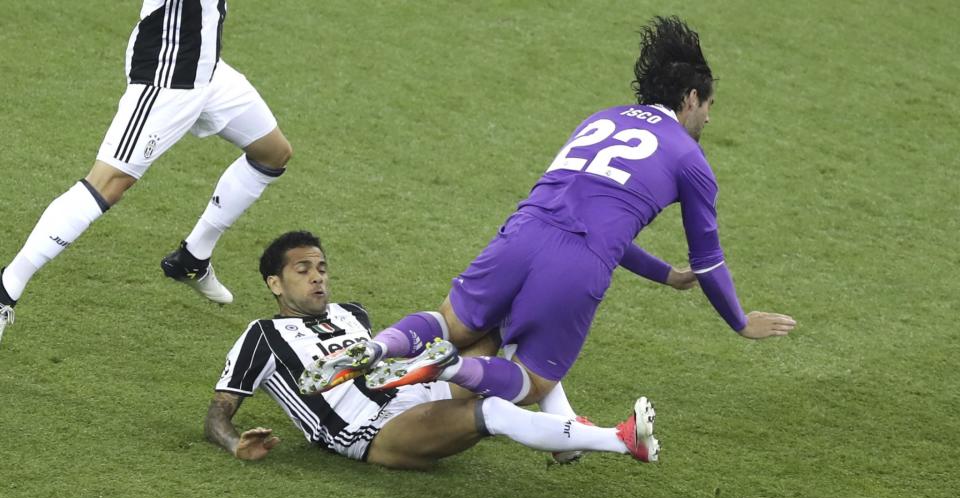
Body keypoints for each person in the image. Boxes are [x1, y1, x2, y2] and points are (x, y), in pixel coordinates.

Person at [303, 15, 796, 406]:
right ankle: (448, 367)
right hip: (577, 262)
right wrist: (739, 321)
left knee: (451, 320)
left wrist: (664, 274)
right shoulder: (691, 160)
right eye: (709, 104)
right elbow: (708, 260)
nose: (709, 116)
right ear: (691, 98)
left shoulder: (600, 118)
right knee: (534, 381)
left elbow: (595, 210)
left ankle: (381, 346)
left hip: (522, 231)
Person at [204, 231, 660, 469]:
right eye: (303, 270)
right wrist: (232, 443)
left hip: (413, 391)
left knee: (510, 316)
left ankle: (563, 428)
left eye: (321, 267)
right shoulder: (261, 335)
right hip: (370, 432)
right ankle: (618, 441)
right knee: (494, 412)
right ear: (274, 284)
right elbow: (217, 414)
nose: (318, 277)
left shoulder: (351, 313)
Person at [0, 1, 292, 345]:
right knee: (108, 183)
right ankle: (6, 290)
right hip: (166, 76)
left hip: (207, 69)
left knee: (273, 153)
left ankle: (192, 257)